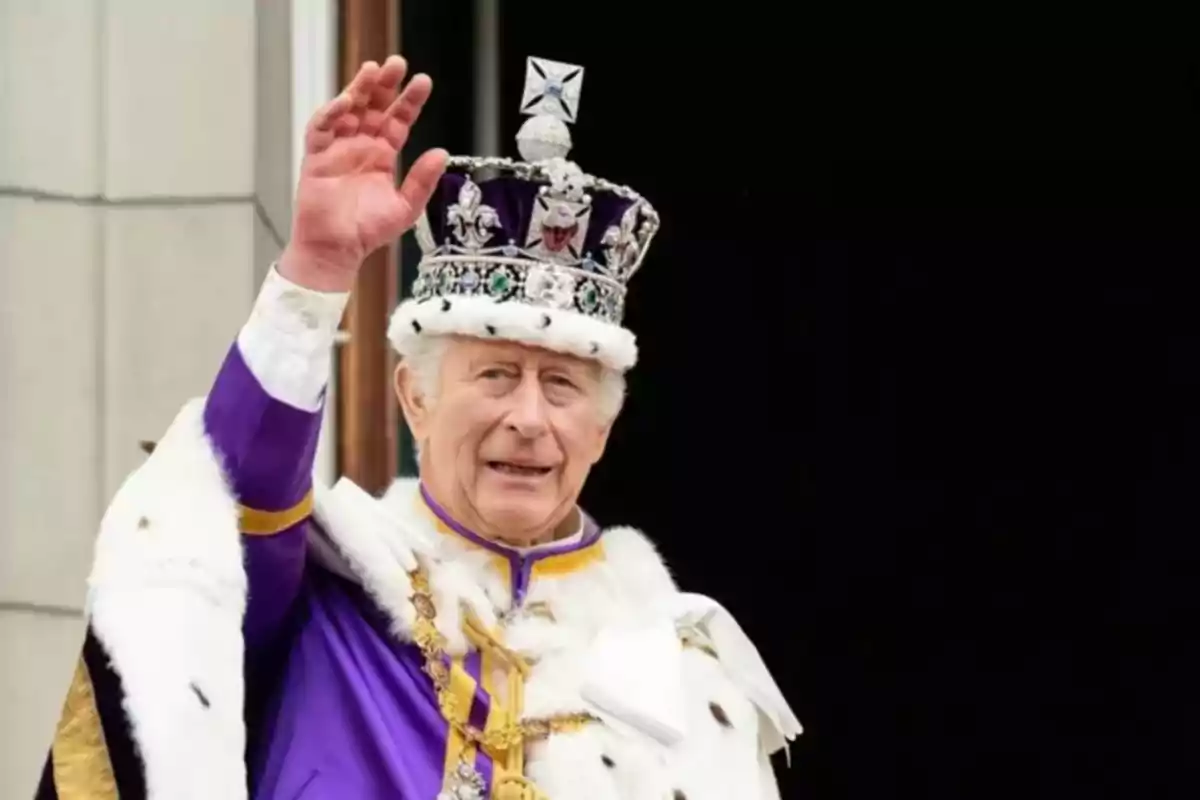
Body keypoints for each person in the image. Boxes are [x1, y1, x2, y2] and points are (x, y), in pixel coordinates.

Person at [35, 54, 800, 800]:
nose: (527, 419)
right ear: (414, 397)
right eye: (494, 375)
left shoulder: (689, 682)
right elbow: (230, 493)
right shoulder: (321, 594)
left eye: (562, 385)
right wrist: (313, 276)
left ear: (602, 430)